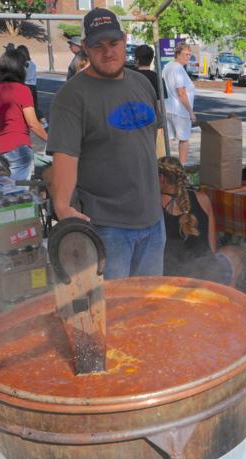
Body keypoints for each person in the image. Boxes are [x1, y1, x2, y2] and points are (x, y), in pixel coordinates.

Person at [47, 8, 165, 279]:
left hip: (153, 221)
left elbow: (150, 140)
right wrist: (63, 206)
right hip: (107, 228)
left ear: (125, 40)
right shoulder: (71, 97)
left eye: (113, 43)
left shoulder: (142, 83)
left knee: (150, 307)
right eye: (98, 45)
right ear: (85, 47)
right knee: (114, 312)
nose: (108, 51)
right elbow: (65, 158)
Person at [159, 156, 244, 286]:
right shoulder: (203, 199)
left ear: (161, 179)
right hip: (207, 277)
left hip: (170, 280)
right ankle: (225, 297)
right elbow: (212, 247)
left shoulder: (153, 206)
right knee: (236, 253)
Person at [0, 49, 48, 181]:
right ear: (19, 68)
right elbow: (33, 123)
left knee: (10, 186)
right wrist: (51, 141)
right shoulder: (22, 90)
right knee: (18, 190)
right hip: (17, 146)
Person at [162, 42, 195, 165]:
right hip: (180, 111)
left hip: (167, 108)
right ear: (177, 54)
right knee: (184, 139)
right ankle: (182, 168)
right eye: (186, 54)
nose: (188, 57)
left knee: (168, 139)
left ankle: (164, 166)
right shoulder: (178, 68)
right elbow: (181, 93)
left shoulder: (167, 67)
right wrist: (191, 112)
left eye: (189, 55)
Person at [16, 45, 44, 124]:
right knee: (34, 106)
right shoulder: (32, 63)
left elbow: (27, 77)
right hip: (32, 87)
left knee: (25, 106)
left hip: (26, 86)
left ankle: (34, 122)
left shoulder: (25, 64)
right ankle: (44, 123)